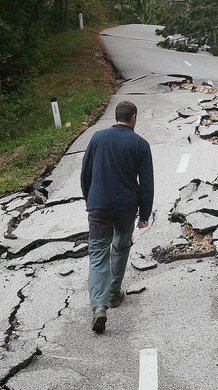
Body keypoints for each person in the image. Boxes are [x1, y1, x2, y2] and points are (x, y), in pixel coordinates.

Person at [80, 101, 154, 334]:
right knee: (120, 246)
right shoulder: (140, 144)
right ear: (133, 118)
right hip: (125, 207)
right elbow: (147, 183)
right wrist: (144, 214)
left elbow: (86, 173)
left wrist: (90, 200)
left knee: (98, 254)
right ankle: (113, 293)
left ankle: (99, 306)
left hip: (99, 206)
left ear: (116, 117)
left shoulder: (97, 138)